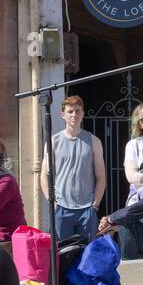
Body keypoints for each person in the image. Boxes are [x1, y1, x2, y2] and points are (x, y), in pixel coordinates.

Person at [40, 95, 105, 242]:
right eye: (70, 111)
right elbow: (44, 175)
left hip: (87, 208)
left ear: (83, 114)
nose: (74, 115)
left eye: (77, 111)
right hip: (61, 207)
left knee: (87, 254)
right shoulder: (53, 142)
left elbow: (101, 176)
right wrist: (53, 202)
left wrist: (95, 205)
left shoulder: (94, 141)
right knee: (62, 254)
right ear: (63, 115)